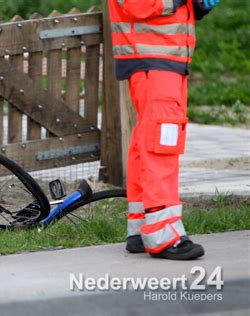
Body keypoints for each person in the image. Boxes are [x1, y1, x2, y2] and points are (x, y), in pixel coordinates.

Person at [108, 0, 219, 260]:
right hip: (154, 59)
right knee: (162, 144)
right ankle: (164, 234)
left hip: (162, 59)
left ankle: (142, 226)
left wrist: (199, 6)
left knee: (147, 141)